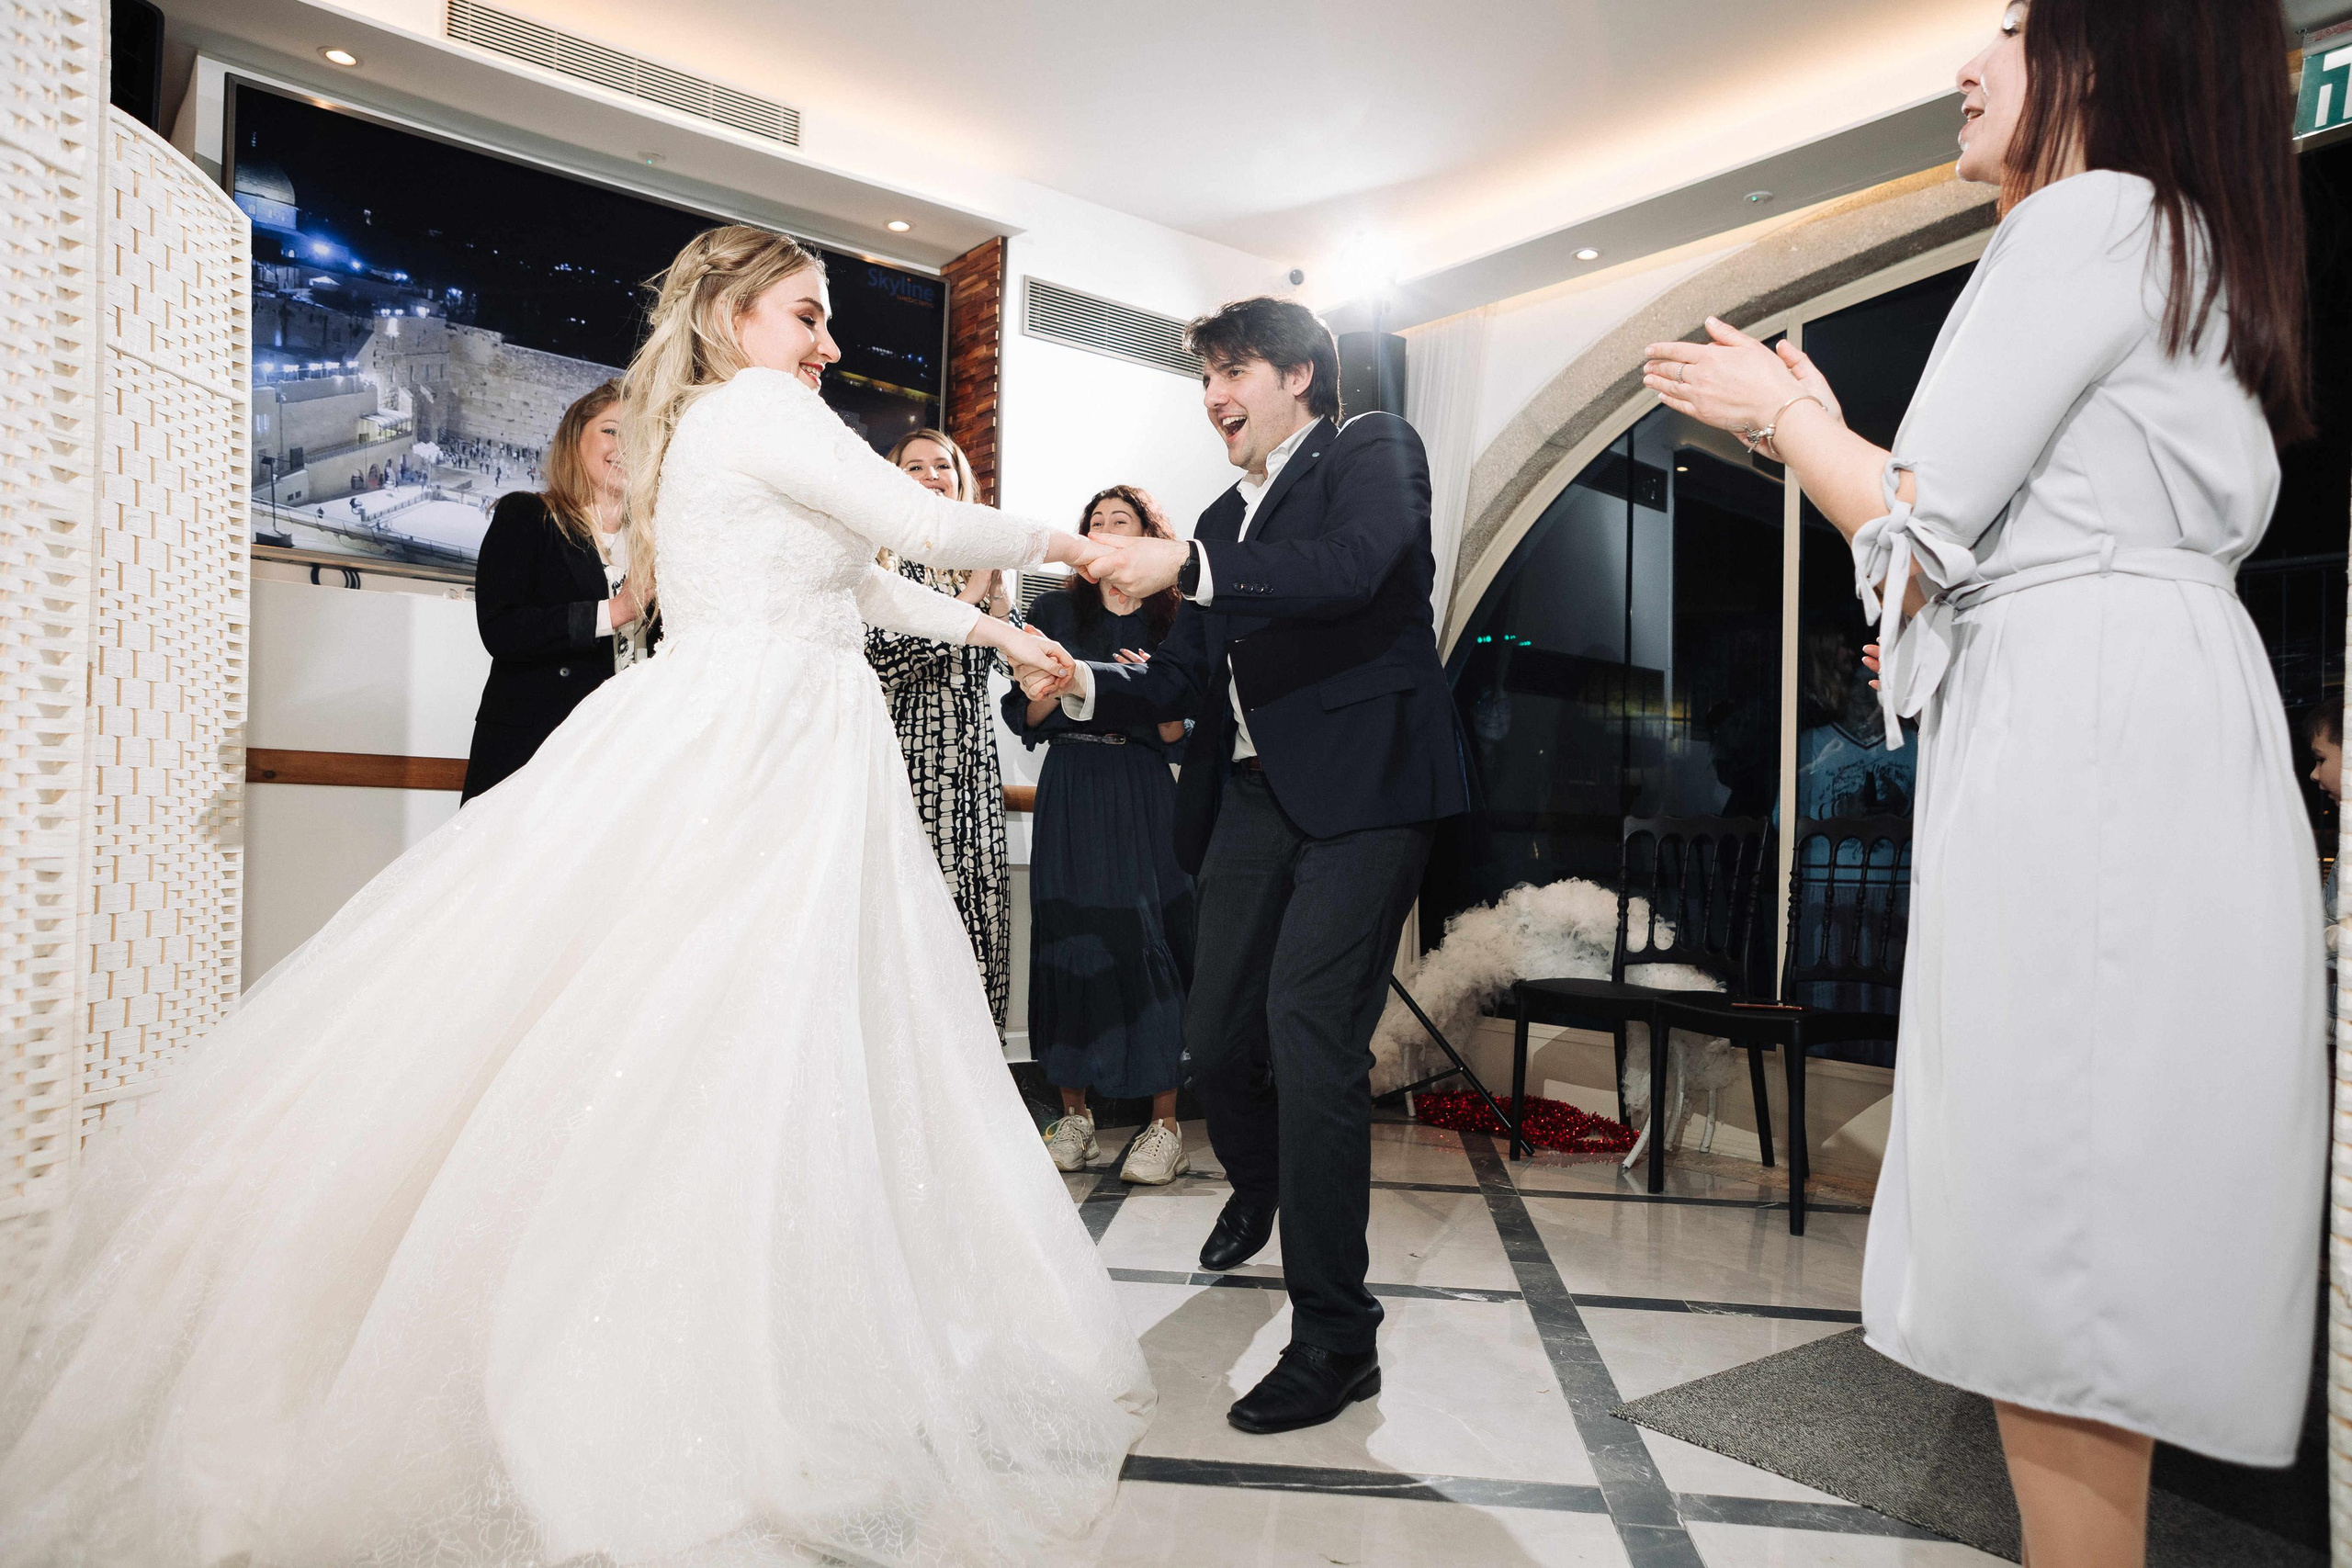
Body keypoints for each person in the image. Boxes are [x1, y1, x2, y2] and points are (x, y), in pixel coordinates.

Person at [0, 225, 1146, 1568]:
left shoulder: (712, 425)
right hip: (768, 742)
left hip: (763, 725)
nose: (828, 345)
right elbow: (925, 525)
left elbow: (864, 579)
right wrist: (1086, 548)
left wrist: (997, 626)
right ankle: (687, 1350)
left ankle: (739, 1316)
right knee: (734, 1024)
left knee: (720, 1024)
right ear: (730, 315)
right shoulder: (757, 407)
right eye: (806, 314)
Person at [1643, 3, 2320, 1562]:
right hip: (2157, 723)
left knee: (2056, 1238)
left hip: (2084, 752)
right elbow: (1985, 527)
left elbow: (1918, 519)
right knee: (2108, 1235)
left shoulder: (2091, 215)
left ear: (2111, 52)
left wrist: (1783, 417)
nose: (1968, 62)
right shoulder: (2192, 245)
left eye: (2011, 26)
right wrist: (1843, 453)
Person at [1028, 297, 1471, 1436]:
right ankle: (1267, 1181)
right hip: (1252, 805)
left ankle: (1336, 1336)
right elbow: (1182, 680)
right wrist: (1077, 684)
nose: (1214, 397)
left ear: (1298, 376)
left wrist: (1187, 563)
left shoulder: (1373, 449)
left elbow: (1352, 569)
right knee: (1216, 1038)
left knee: (1307, 1034)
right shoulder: (1228, 517)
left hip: (1369, 796)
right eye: (1206, 378)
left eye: (1232, 372)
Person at [1007, 485, 1195, 1184]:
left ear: (1150, 535)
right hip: (1070, 784)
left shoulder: (1178, 615)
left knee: (1149, 940)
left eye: (1123, 520)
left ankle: (1164, 1126)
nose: (1108, 529)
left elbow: (1184, 733)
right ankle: (1075, 1117)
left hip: (1143, 787)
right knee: (1068, 937)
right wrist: (1050, 687)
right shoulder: (1054, 612)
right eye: (1096, 522)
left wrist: (1157, 693)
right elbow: (1025, 717)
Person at [866, 428, 1021, 1027]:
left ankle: (976, 1066)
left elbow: (1010, 667)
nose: (932, 476)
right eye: (915, 467)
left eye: (942, 465)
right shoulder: (882, 559)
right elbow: (884, 659)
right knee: (911, 918)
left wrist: (1002, 606)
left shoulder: (973, 562)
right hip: (909, 765)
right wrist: (972, 594)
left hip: (974, 770)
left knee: (977, 919)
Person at [461, 380, 654, 802]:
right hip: (535, 747)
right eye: (612, 430)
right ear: (574, 437)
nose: (626, 446)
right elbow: (502, 630)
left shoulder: (657, 541)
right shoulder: (527, 516)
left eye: (641, 435)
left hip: (626, 750)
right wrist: (614, 611)